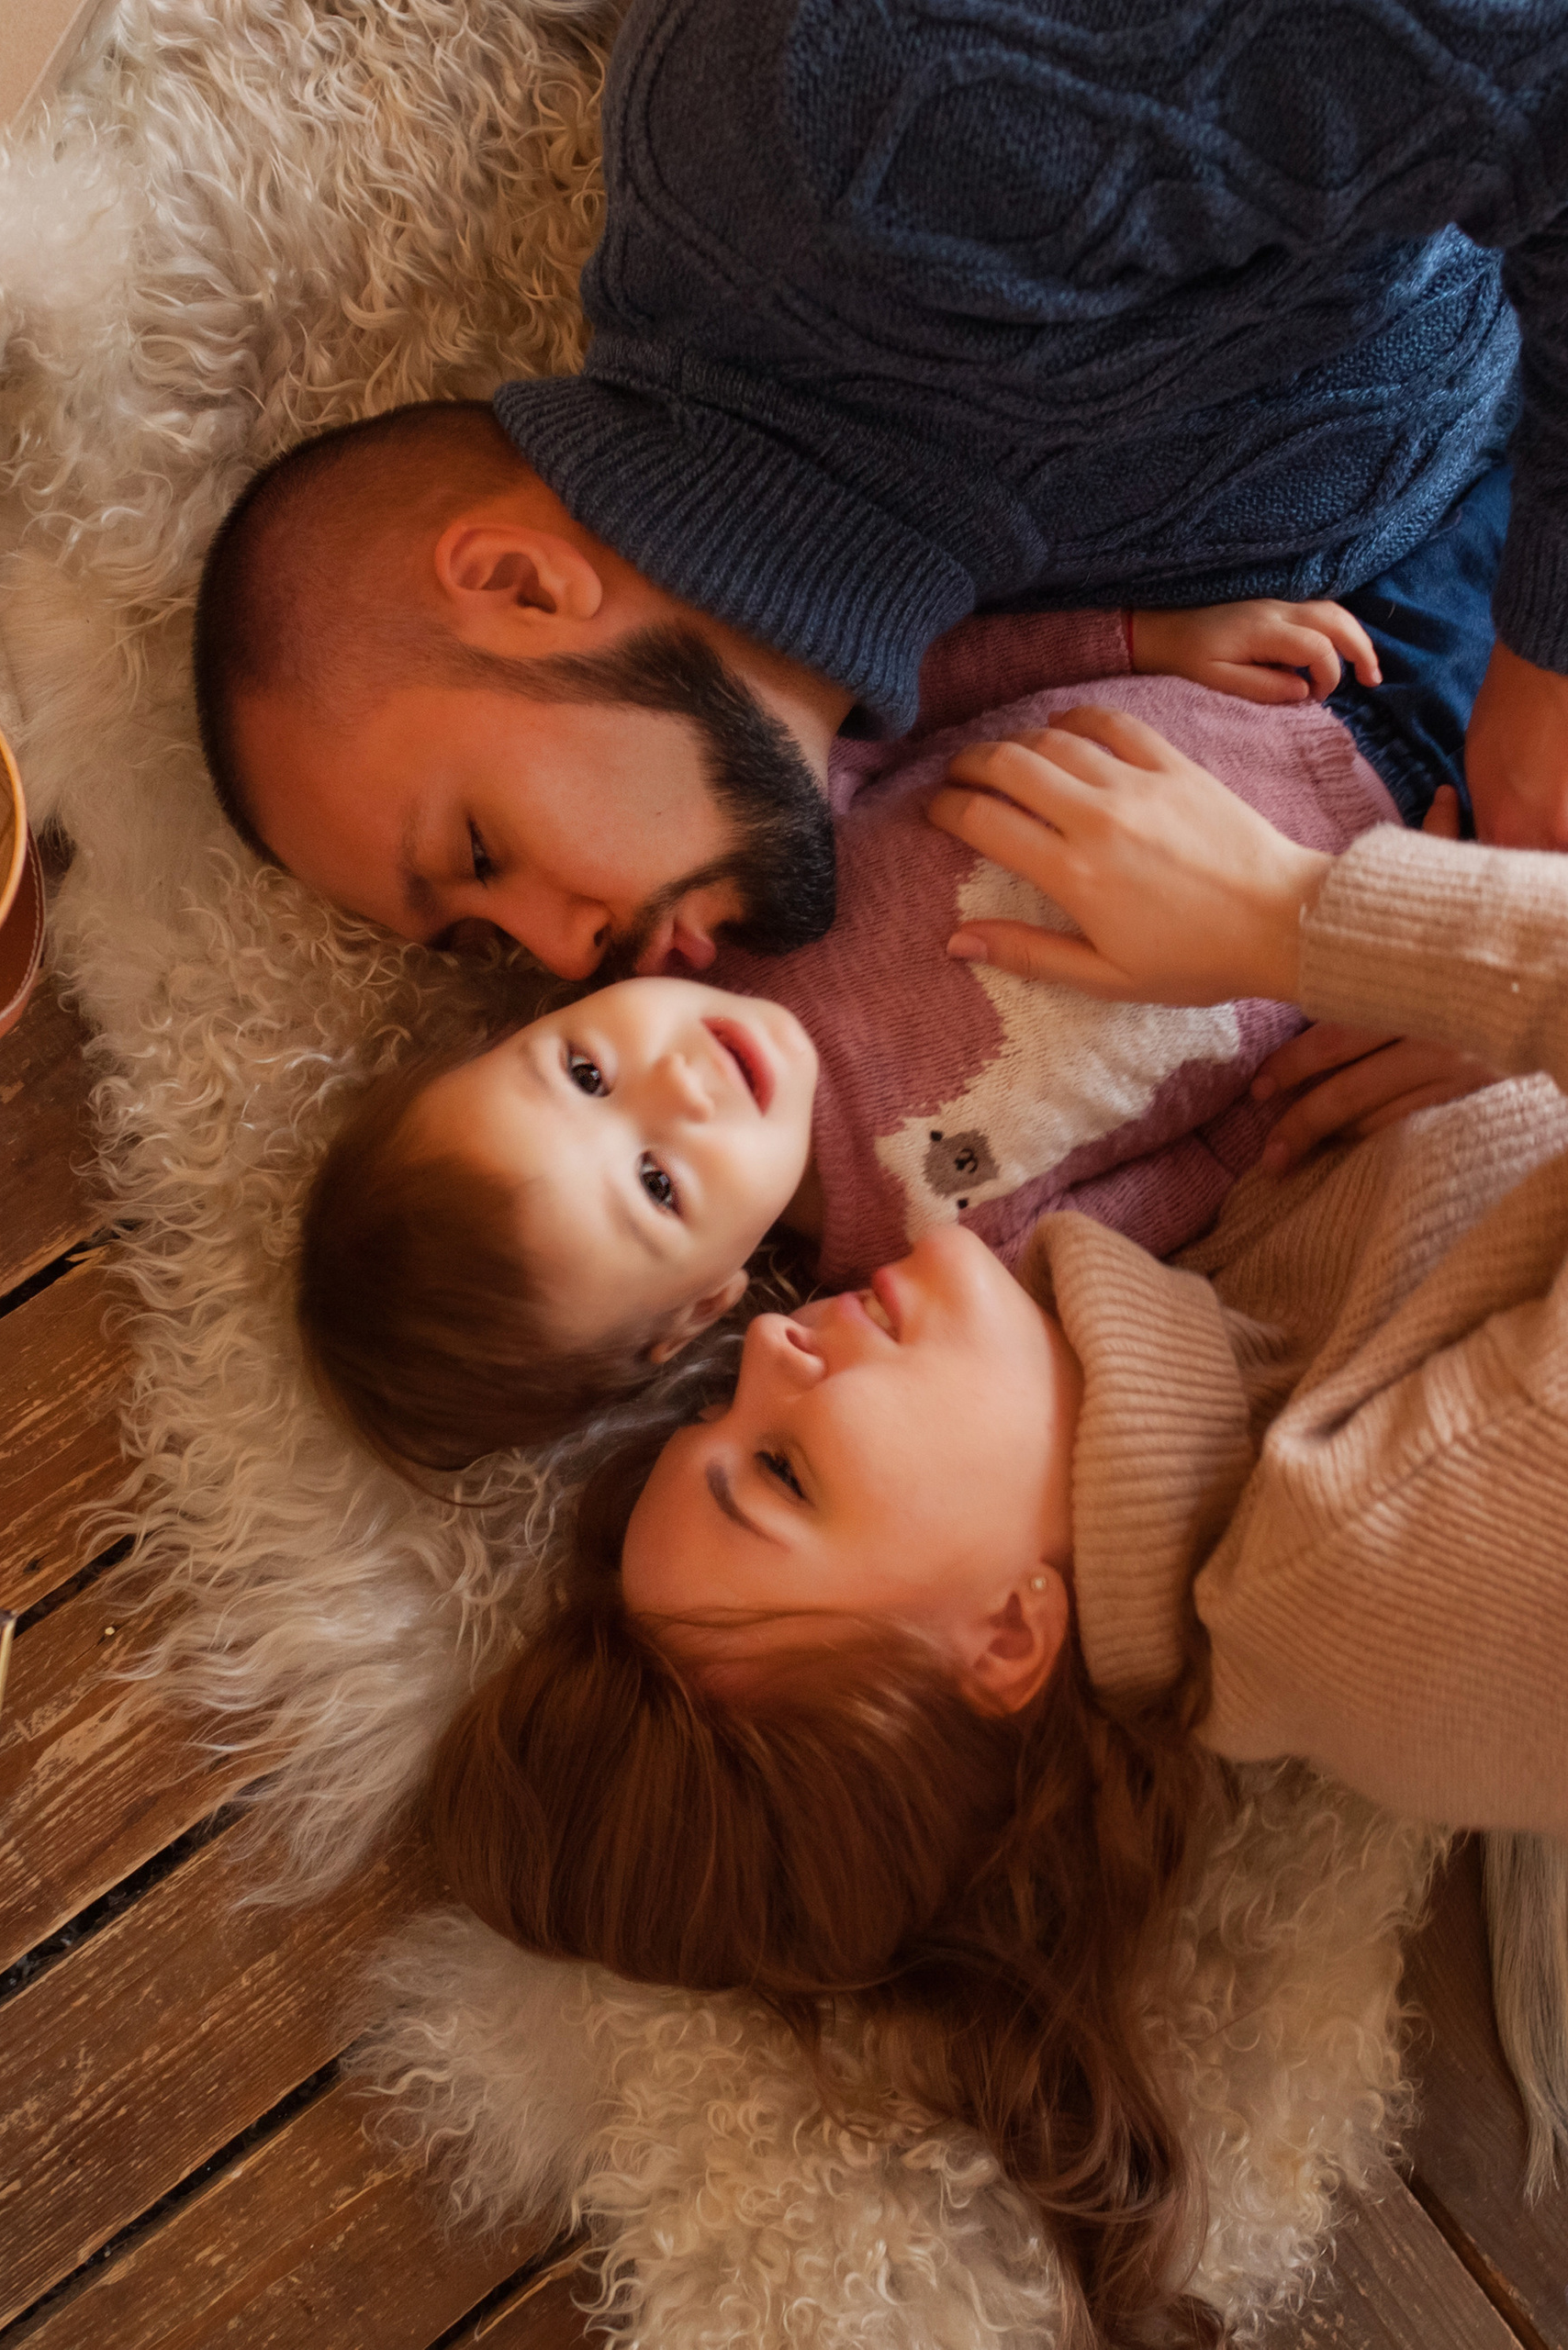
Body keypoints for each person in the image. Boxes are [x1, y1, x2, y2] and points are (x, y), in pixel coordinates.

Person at [420, 706, 1568, 2344]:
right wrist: (1313, 924)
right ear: (1008, 1641)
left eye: (727, 1414)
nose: (771, 1350)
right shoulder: (1371, 1572)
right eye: (790, 1474)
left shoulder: (1243, 1308)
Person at [192, 2, 1568, 973]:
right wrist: (1454, 963)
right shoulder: (879, 570)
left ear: (519, 582)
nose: (569, 958)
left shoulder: (857, 140)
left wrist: (1551, 663)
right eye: (488, 944)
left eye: (483, 853)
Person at [300, 600, 1458, 1470]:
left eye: (585, 1070)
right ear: (703, 1308)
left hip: (1287, 665)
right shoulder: (937, 1261)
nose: (680, 1087)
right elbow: (1188, 1175)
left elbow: (902, 700)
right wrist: (1388, 978)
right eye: (655, 1182)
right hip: (1408, 877)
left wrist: (1136, 640)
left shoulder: (717, 909)